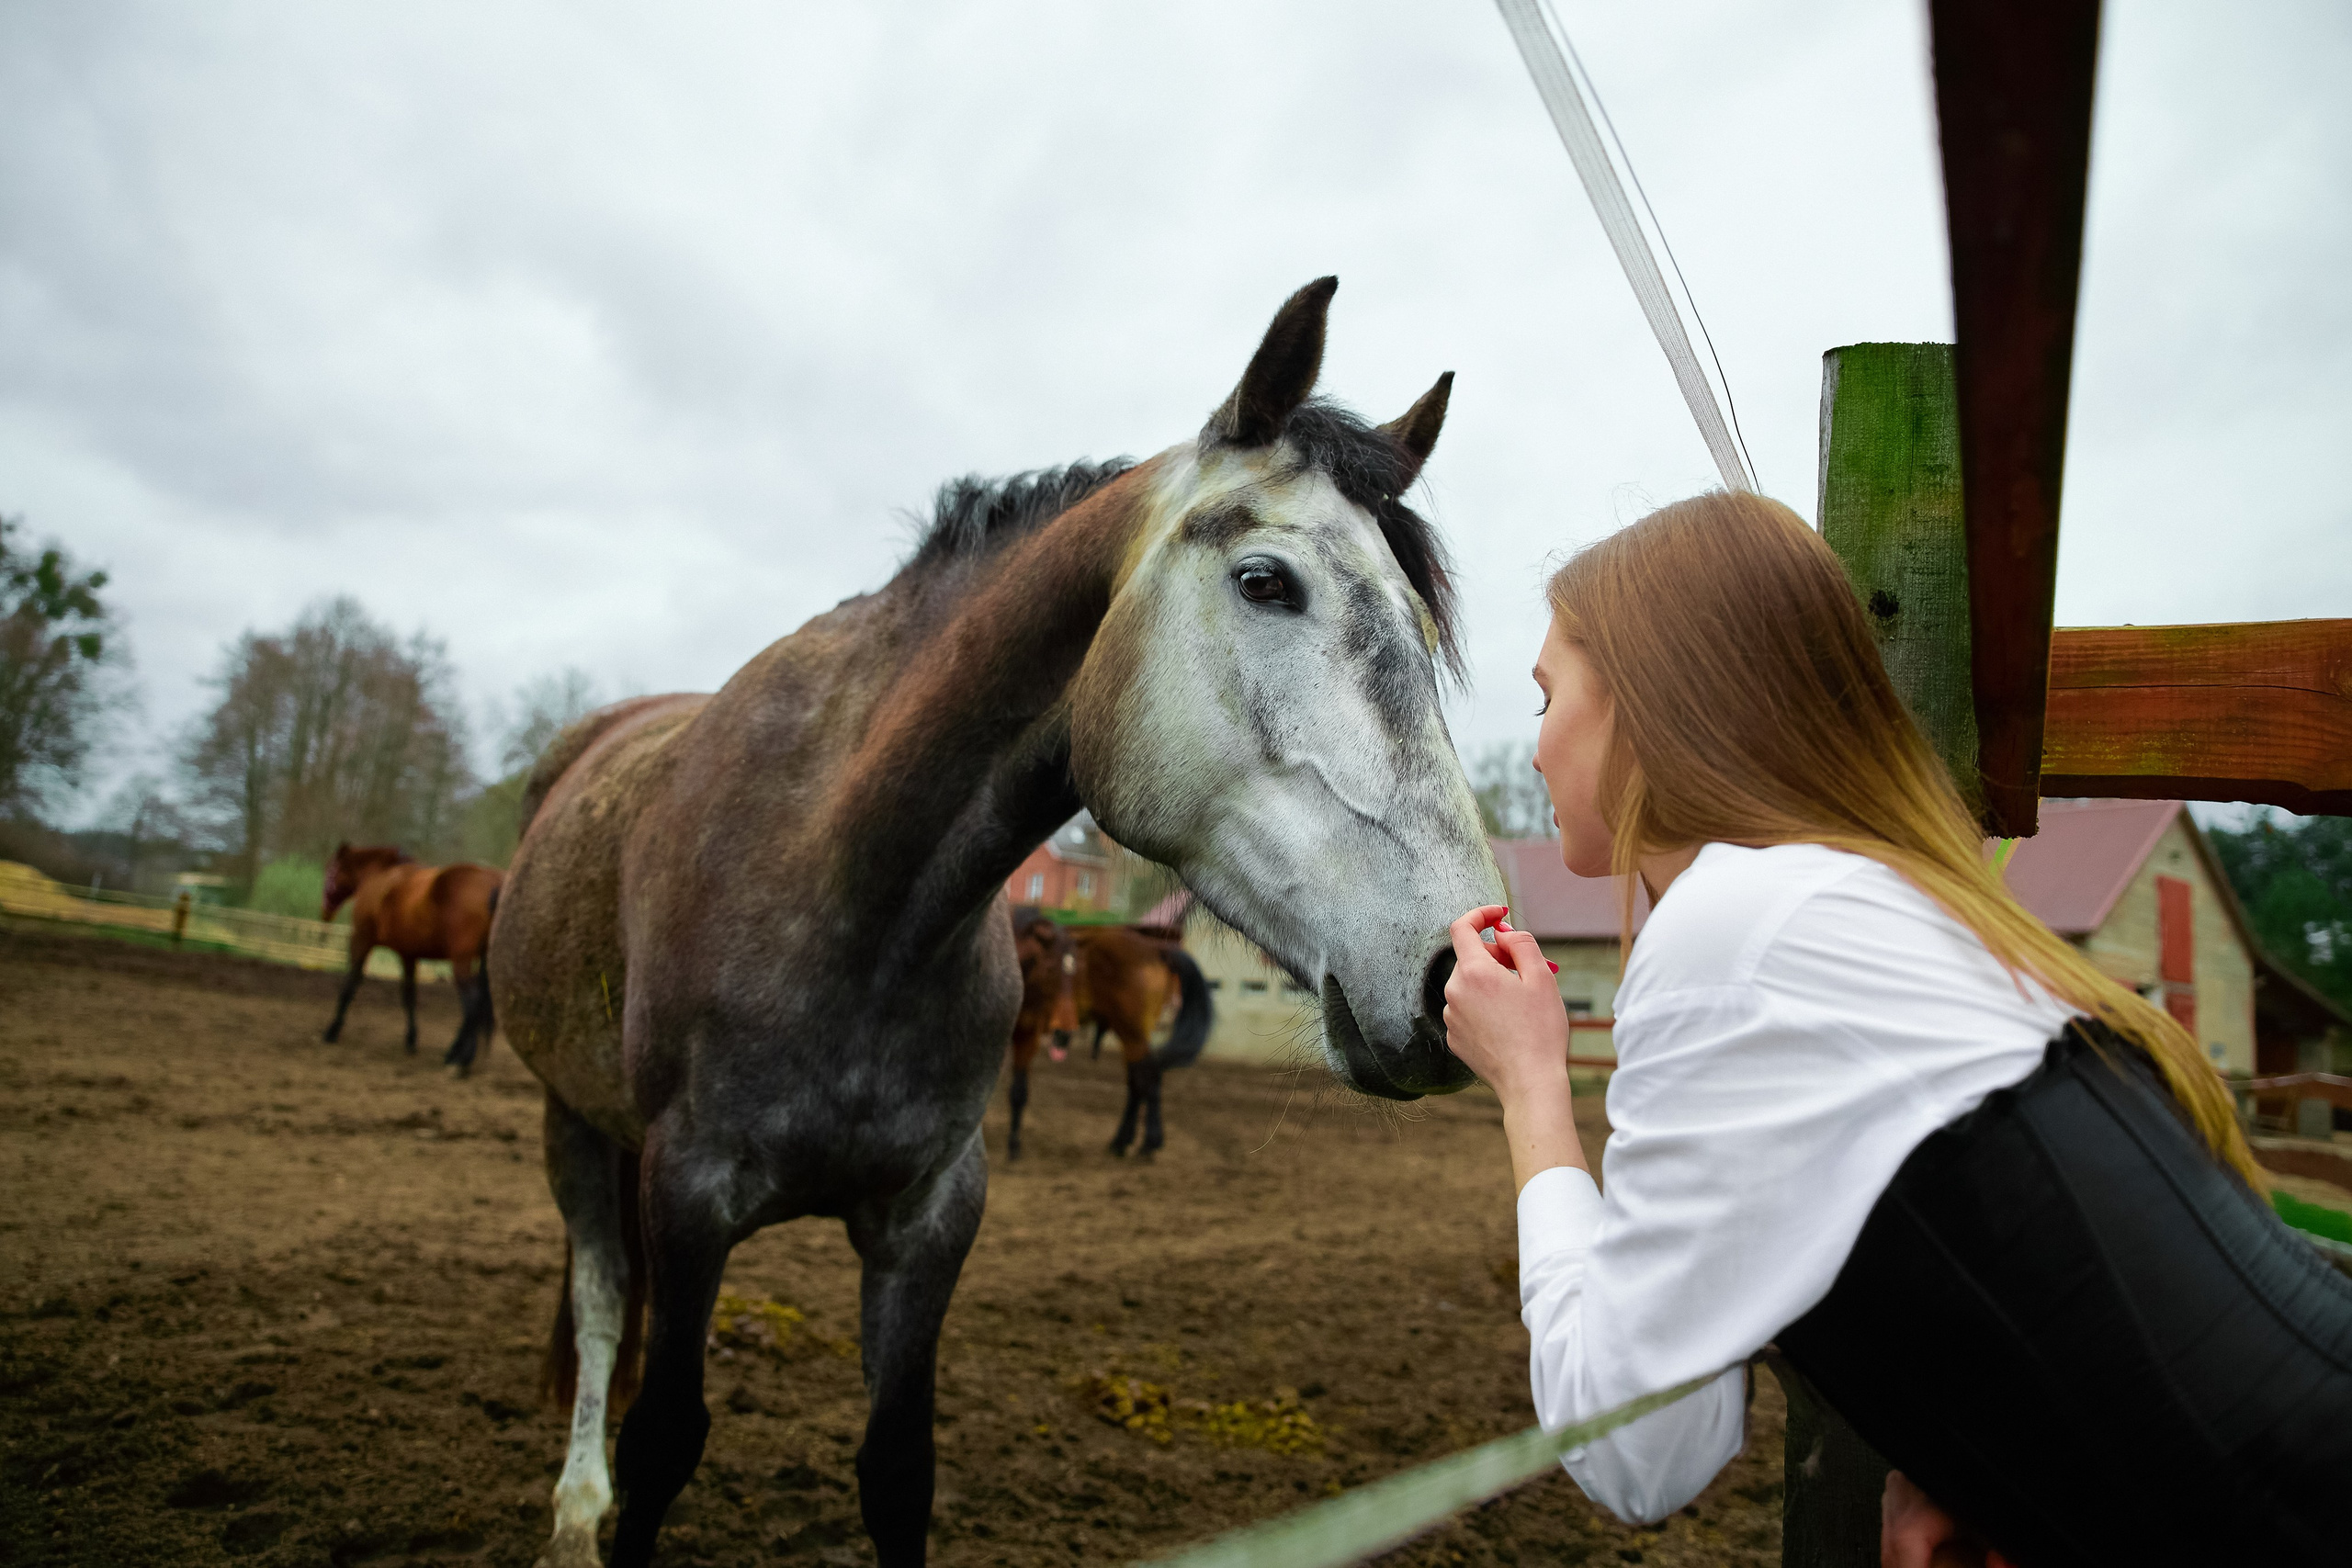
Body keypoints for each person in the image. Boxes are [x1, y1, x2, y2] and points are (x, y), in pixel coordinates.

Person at [1439, 491, 2351, 1568]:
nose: (1535, 749)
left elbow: (1636, 1450)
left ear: (1641, 700)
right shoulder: (1878, 902)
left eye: (1547, 696)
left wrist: (1531, 1086)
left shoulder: (1730, 933)